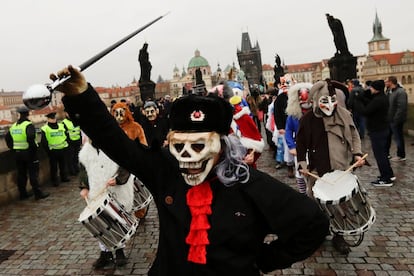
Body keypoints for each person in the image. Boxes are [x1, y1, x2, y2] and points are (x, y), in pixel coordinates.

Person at [54, 65, 329, 276]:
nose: (188, 158)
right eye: (179, 147)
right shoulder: (166, 171)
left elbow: (312, 224)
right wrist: (81, 98)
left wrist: (264, 259)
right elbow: (117, 143)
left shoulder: (251, 185)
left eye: (199, 146)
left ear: (222, 146)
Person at [296, 79, 365, 255]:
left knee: (340, 205)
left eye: (332, 99)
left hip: (341, 167)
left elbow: (355, 135)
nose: (330, 105)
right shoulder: (307, 120)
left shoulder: (343, 114)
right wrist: (302, 165)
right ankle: (320, 232)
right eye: (325, 101)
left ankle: (339, 236)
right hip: (317, 169)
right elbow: (301, 145)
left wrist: (357, 153)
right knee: (317, 203)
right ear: (316, 100)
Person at [78, 137, 134, 269]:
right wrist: (84, 187)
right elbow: (82, 171)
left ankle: (120, 251)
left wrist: (119, 179)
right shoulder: (85, 151)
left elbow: (127, 164)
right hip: (96, 191)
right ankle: (105, 253)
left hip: (116, 190)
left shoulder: (115, 145)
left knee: (116, 220)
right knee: (101, 223)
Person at [352, 80, 395, 186]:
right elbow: (370, 104)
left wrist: (356, 101)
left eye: (371, 88)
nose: (369, 89)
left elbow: (365, 111)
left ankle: (386, 179)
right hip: (383, 129)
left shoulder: (378, 100)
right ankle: (389, 174)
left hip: (378, 131)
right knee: (383, 154)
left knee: (380, 155)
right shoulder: (381, 97)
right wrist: (362, 98)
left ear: (375, 89)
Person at [5, 106, 50, 200]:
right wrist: (33, 149)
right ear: (28, 114)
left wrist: (13, 147)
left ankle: (23, 194)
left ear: (19, 114)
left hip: (18, 154)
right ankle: (37, 194)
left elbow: (7, 138)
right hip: (28, 153)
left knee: (21, 174)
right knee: (33, 174)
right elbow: (30, 137)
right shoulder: (28, 125)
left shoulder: (14, 126)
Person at [285, 83, 313, 193]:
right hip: (300, 148)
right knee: (300, 172)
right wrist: (291, 146)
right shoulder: (293, 115)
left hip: (315, 147)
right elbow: (288, 131)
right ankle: (303, 194)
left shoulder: (317, 112)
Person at [40, 111, 70, 186]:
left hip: (62, 149)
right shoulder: (45, 128)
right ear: (48, 119)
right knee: (54, 167)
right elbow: (44, 142)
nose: (53, 119)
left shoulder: (61, 126)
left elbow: (66, 136)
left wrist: (66, 146)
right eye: (51, 118)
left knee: (63, 165)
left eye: (53, 117)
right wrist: (48, 151)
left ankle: (64, 177)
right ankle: (55, 180)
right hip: (53, 151)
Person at [385, 76, 408, 162]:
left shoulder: (400, 92)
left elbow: (401, 107)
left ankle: (401, 155)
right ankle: (386, 154)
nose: (385, 83)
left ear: (391, 82)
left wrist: (396, 119)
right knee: (387, 137)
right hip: (389, 119)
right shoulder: (389, 91)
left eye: (386, 81)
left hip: (396, 120)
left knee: (398, 138)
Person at [57, 105, 81, 176]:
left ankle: (76, 169)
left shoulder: (76, 120)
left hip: (77, 142)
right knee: (70, 158)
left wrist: (80, 140)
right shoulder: (63, 123)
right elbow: (64, 134)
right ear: (65, 114)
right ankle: (71, 171)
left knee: (76, 157)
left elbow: (79, 131)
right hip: (70, 143)